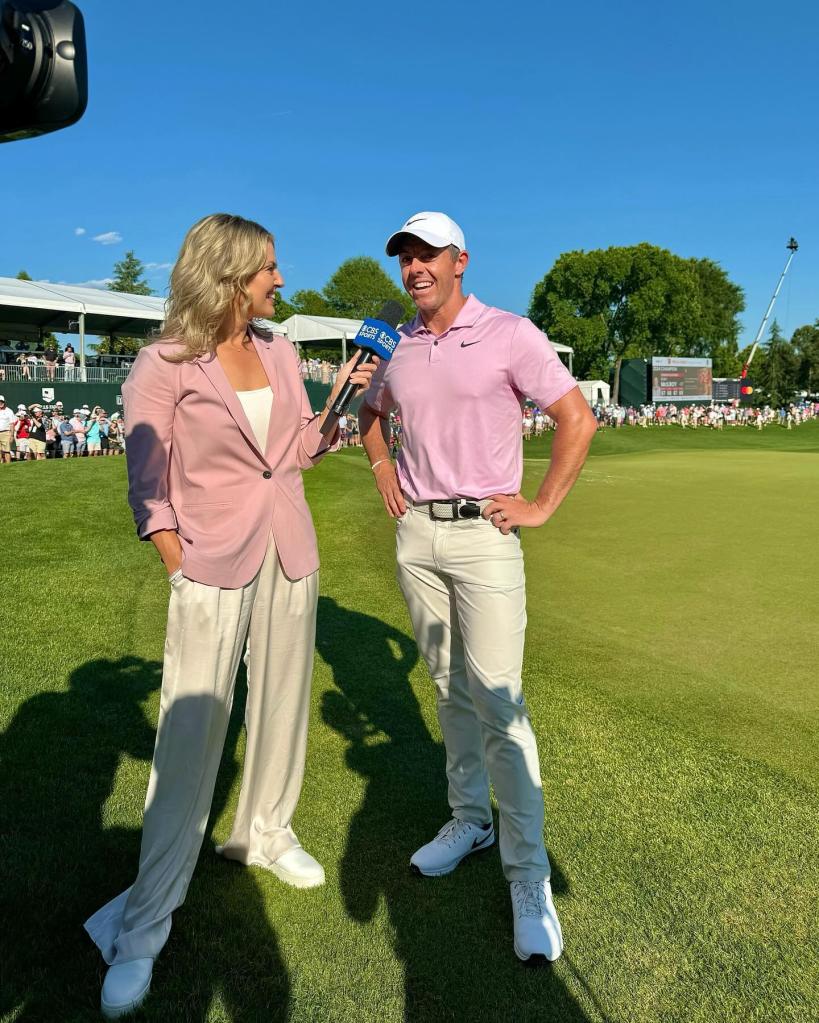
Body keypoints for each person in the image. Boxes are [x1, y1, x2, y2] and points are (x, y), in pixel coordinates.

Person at [84, 212, 378, 1019]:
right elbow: (148, 484)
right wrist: (179, 559)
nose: (280, 280)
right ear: (228, 272)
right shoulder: (162, 363)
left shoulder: (281, 350)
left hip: (290, 550)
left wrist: (340, 405)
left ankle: (265, 831)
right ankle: (143, 923)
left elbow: (295, 456)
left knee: (281, 706)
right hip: (209, 564)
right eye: (269, 269)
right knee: (190, 736)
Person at [360, 212, 597, 964]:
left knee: (497, 698)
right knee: (447, 689)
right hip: (418, 537)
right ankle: (470, 819)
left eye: (427, 254)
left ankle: (527, 876)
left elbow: (575, 417)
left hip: (485, 535)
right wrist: (380, 470)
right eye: (405, 257)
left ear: (460, 260)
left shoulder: (509, 332)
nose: (415, 268)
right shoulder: (398, 343)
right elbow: (372, 415)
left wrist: (541, 504)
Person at [0, 395, 16, 464]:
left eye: (2, 402)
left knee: (6, 451)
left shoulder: (9, 411)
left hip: (6, 433)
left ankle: (8, 465)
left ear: (4, 402)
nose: (0, 403)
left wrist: (12, 435)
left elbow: (12, 424)